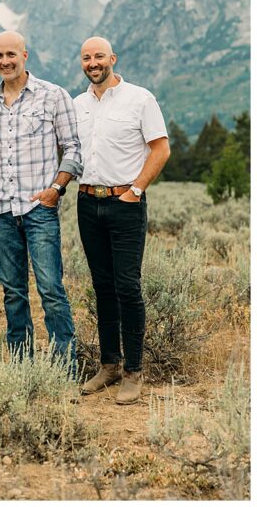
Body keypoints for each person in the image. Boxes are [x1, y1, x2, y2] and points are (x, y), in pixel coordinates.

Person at [0, 30, 82, 367]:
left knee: (51, 290)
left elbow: (73, 148)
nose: (5, 61)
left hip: (39, 208)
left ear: (26, 55)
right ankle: (22, 368)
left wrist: (57, 188)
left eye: (11, 54)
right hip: (1, 210)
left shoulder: (53, 96)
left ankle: (64, 367)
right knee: (13, 293)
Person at [74, 37, 169, 404]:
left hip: (125, 204)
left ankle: (133, 371)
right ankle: (109, 365)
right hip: (88, 202)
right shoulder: (77, 104)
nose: (93, 63)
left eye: (99, 56)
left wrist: (136, 189)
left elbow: (161, 148)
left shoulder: (140, 99)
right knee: (102, 286)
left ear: (112, 59)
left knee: (127, 286)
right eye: (87, 58)